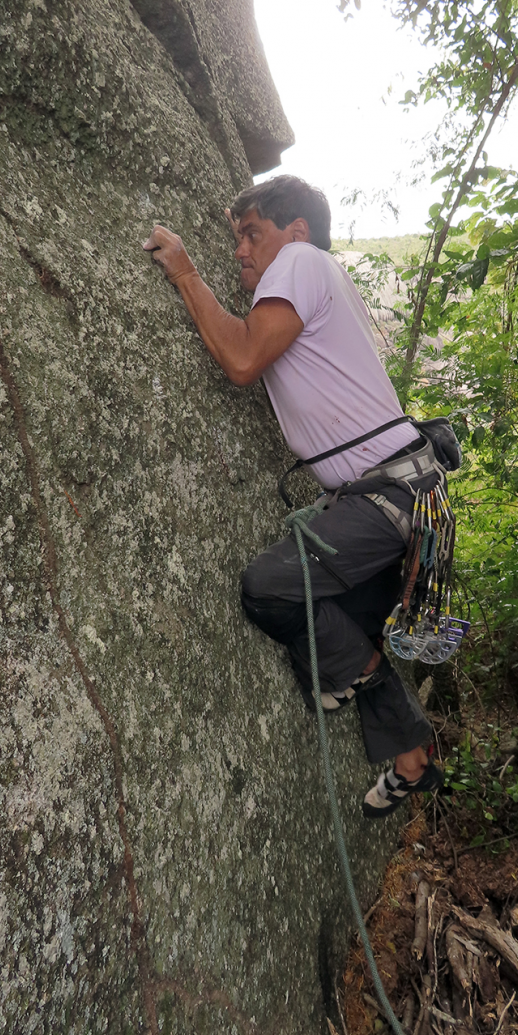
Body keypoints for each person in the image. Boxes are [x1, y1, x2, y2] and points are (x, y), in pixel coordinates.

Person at [143, 175, 443, 817]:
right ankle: (411, 755)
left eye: (252, 233)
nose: (240, 250)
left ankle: (355, 679)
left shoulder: (304, 262)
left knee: (270, 587)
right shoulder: (317, 280)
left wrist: (187, 276)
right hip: (403, 496)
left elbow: (245, 359)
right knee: (344, 625)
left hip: (389, 496)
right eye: (236, 238)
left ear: (296, 232)